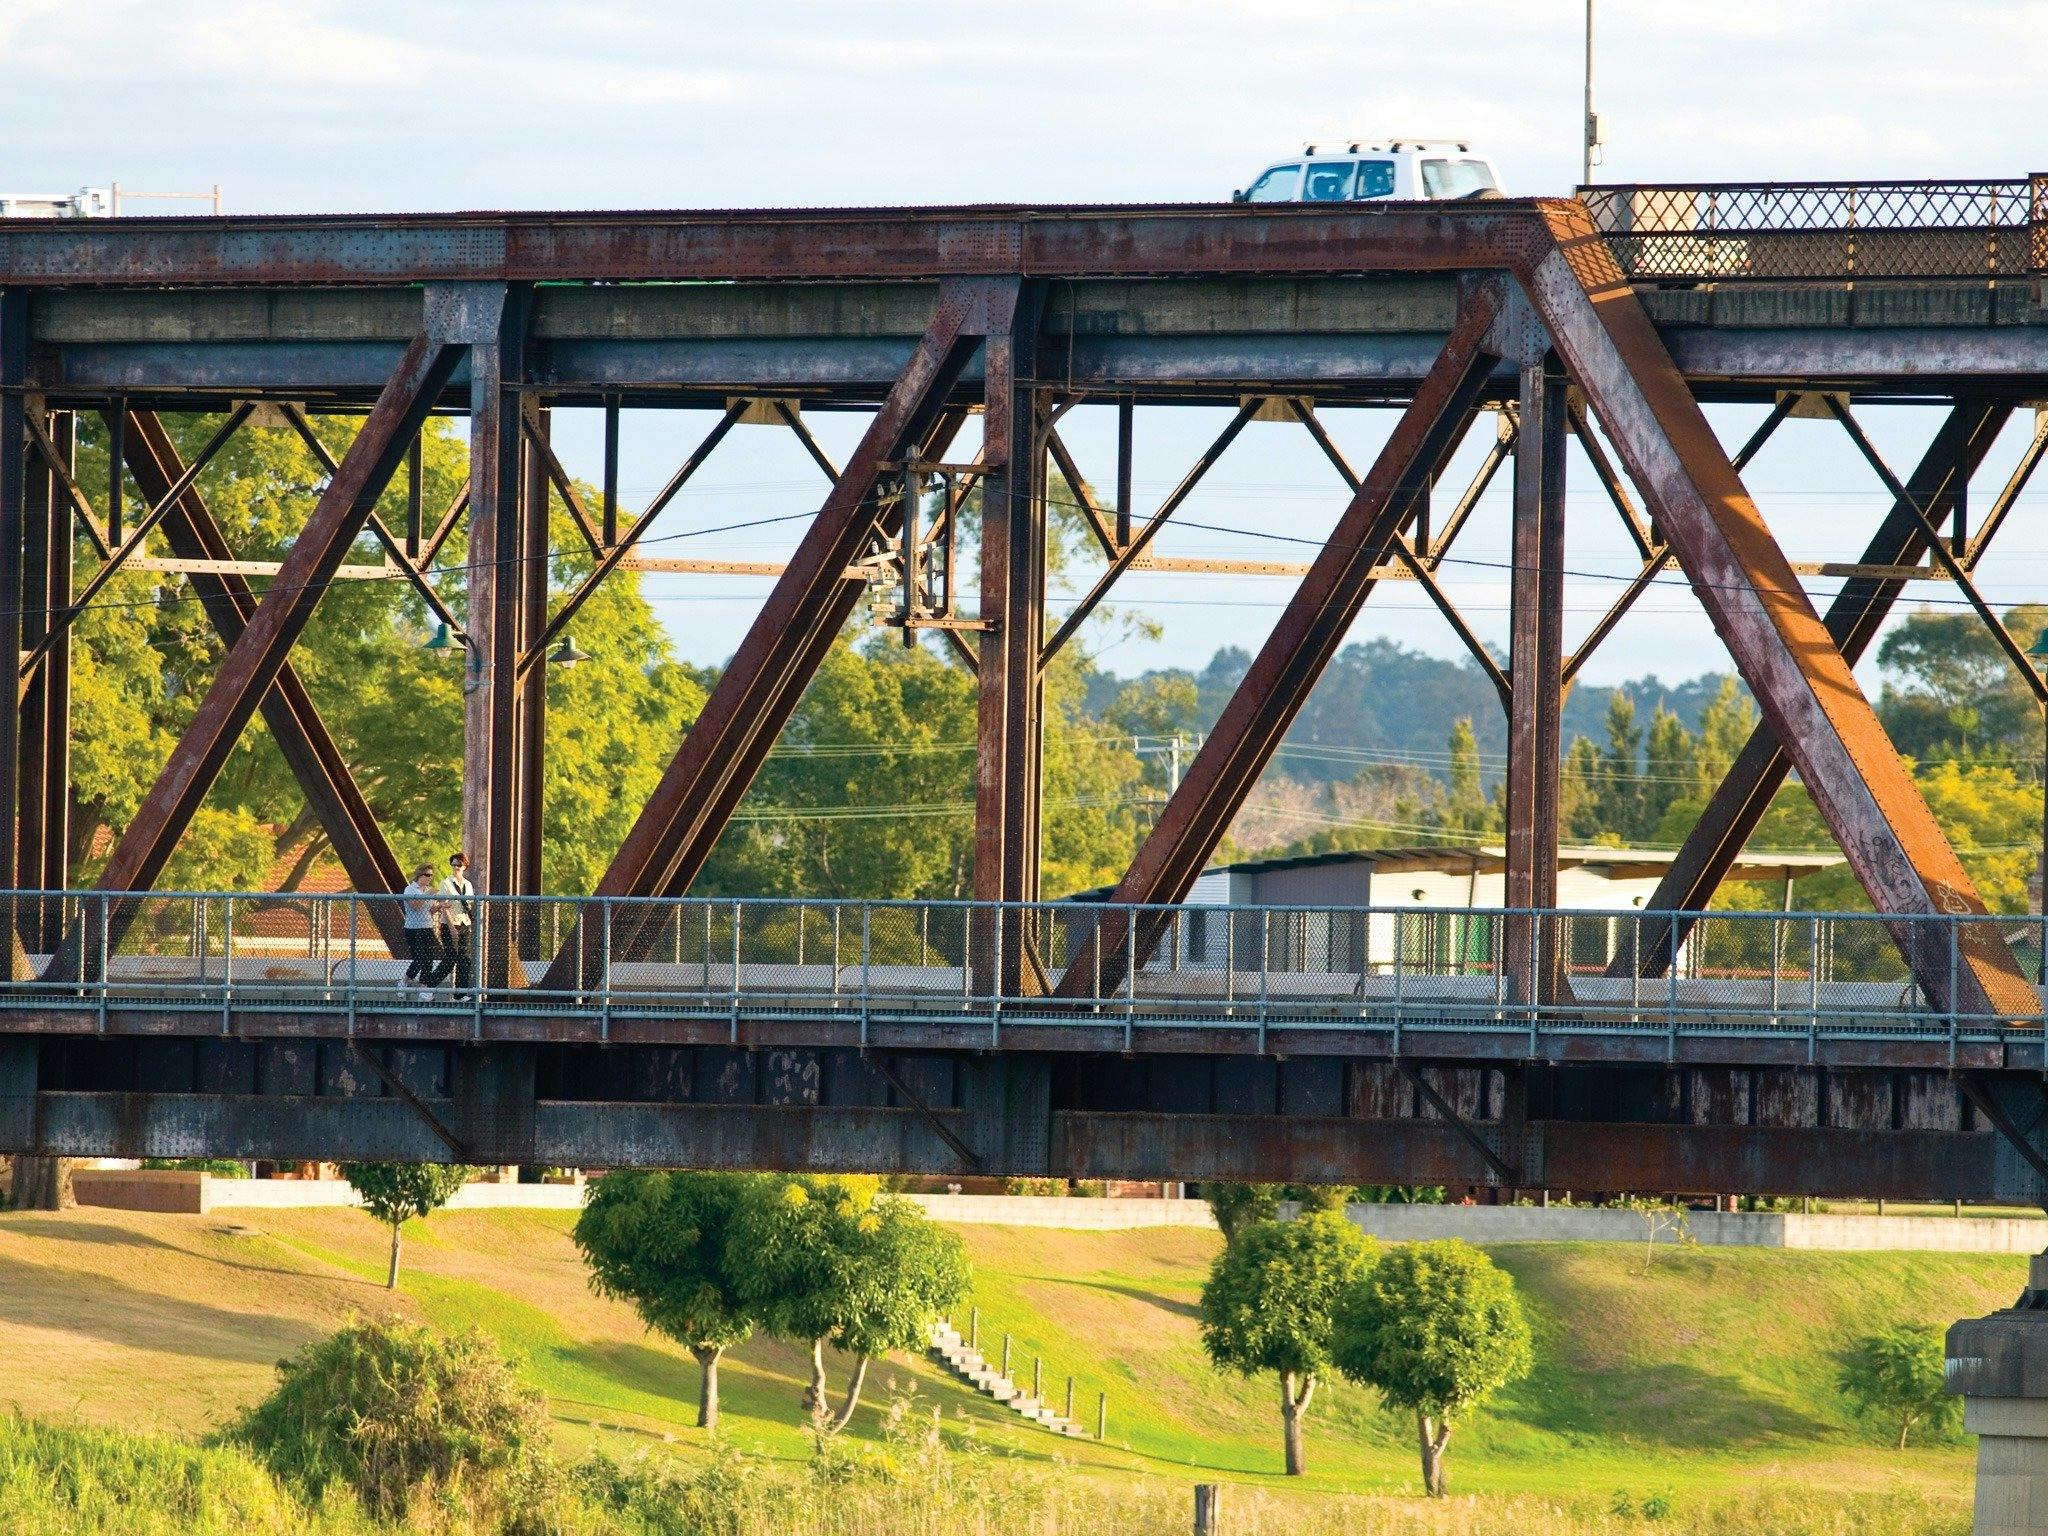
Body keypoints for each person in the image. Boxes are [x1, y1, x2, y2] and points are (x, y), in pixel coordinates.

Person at [430, 852, 475, 990]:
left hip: (464, 923)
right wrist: (451, 928)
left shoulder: (468, 884)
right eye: (453, 864)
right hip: (450, 924)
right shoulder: (446, 883)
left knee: (464, 959)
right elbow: (444, 907)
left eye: (458, 864)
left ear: (464, 866)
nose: (455, 867)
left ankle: (460, 993)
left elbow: (469, 903)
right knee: (450, 958)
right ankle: (429, 986)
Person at [400, 863, 442, 1001]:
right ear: (420, 875)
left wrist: (440, 906)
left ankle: (424, 990)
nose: (430, 878)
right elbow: (415, 907)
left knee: (429, 959)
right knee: (419, 958)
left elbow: (428, 911)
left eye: (431, 875)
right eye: (428, 875)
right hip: (413, 928)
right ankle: (404, 982)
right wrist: (427, 895)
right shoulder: (410, 890)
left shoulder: (428, 890)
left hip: (427, 927)